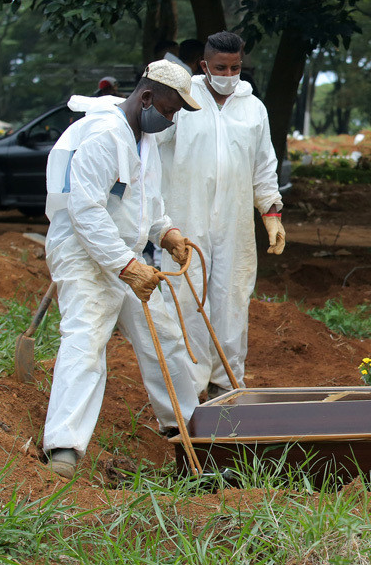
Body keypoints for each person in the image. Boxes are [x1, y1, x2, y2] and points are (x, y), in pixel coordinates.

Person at [42, 60, 203, 478]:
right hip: (83, 254)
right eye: (169, 111)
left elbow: (145, 202)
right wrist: (126, 265)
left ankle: (192, 433)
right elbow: (85, 210)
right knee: (87, 338)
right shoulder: (103, 135)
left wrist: (166, 232)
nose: (170, 121)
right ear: (147, 98)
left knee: (162, 336)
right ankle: (64, 448)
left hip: (124, 255)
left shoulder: (142, 138)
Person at [155, 31, 286, 399]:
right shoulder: (183, 101)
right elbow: (150, 149)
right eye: (220, 67)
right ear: (204, 67)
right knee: (187, 298)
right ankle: (190, 388)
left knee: (232, 299)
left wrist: (271, 212)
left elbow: (264, 164)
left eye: (235, 67)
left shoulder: (253, 108)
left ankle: (226, 385)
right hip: (185, 217)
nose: (228, 74)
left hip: (234, 224)